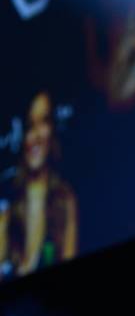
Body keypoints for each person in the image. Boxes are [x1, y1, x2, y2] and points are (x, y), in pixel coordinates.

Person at [6, 92, 78, 277]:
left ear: (53, 128)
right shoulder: (8, 205)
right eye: (30, 125)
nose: (36, 135)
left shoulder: (64, 199)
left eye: (43, 122)